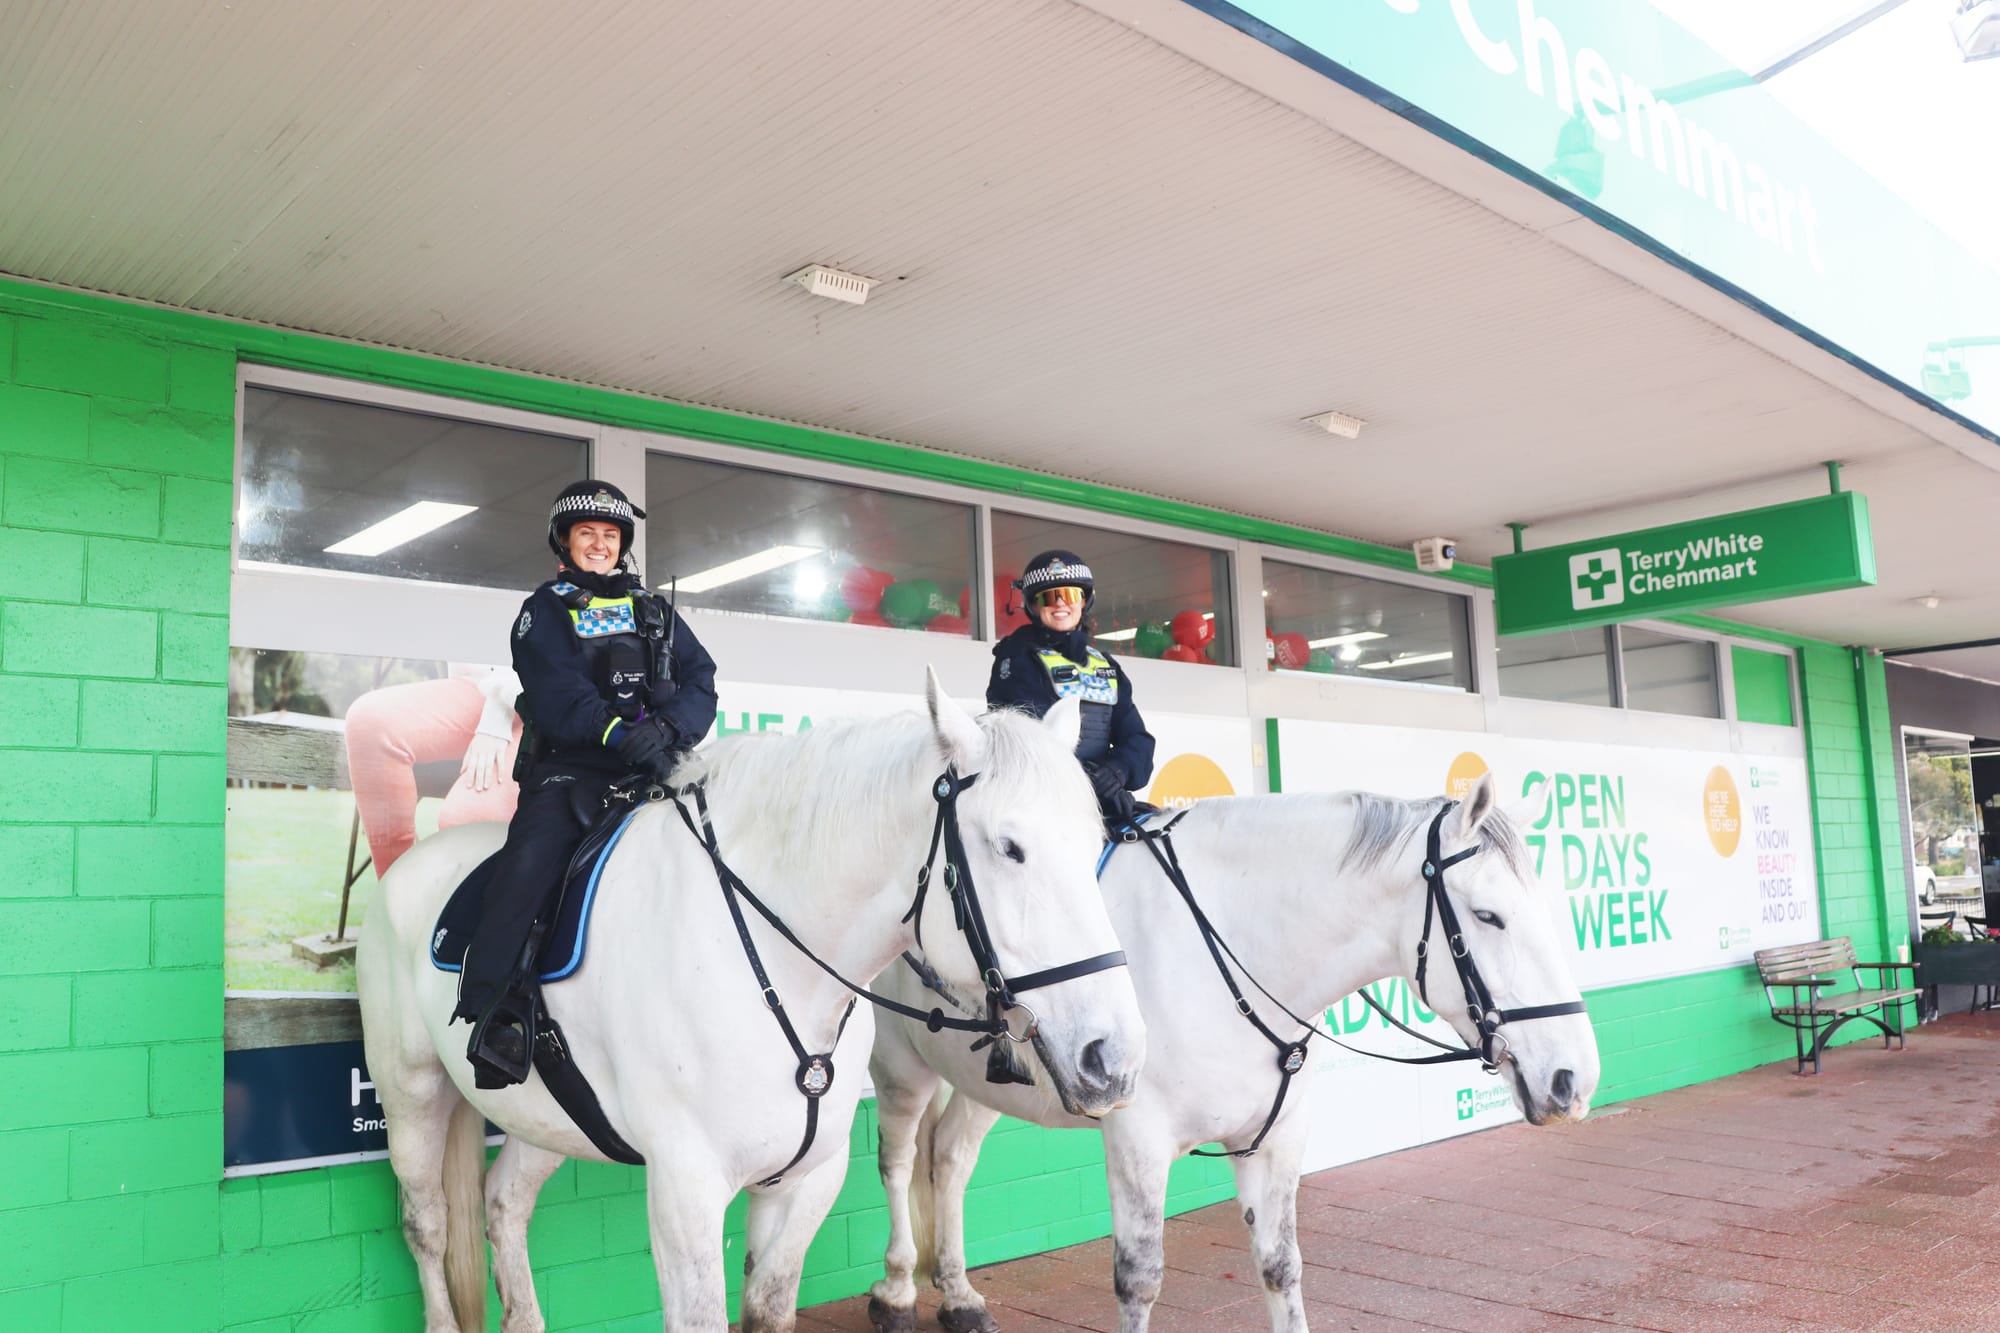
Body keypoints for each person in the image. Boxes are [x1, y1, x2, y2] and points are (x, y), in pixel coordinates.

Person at [453, 480, 718, 1087]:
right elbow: (557, 691)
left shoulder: (654, 609)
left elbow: (702, 677)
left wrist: (673, 731)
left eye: (610, 535)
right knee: (526, 872)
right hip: (572, 773)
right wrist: (624, 735)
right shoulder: (542, 610)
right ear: (565, 542)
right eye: (587, 534)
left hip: (657, 767)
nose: (599, 545)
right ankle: (498, 1011)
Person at [987, 549, 1155, 827]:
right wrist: (1084, 783)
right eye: (1050, 597)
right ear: (1033, 605)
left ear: (1085, 601)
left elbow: (1138, 740)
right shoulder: (1016, 659)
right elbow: (1025, 742)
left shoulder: (1107, 666)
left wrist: (1116, 773)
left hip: (1103, 800)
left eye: (1071, 594)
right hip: (1041, 809)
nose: (1061, 604)